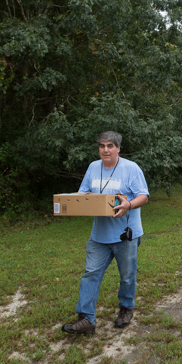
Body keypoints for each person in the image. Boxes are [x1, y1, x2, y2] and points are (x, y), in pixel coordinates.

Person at [62, 131, 149, 334]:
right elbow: (83, 193)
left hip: (125, 235)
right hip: (99, 235)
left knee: (127, 276)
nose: (105, 150)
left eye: (110, 146)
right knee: (90, 273)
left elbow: (143, 196)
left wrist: (128, 204)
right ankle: (86, 319)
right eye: (102, 146)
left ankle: (126, 308)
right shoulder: (93, 167)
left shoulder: (131, 168)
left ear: (118, 148)